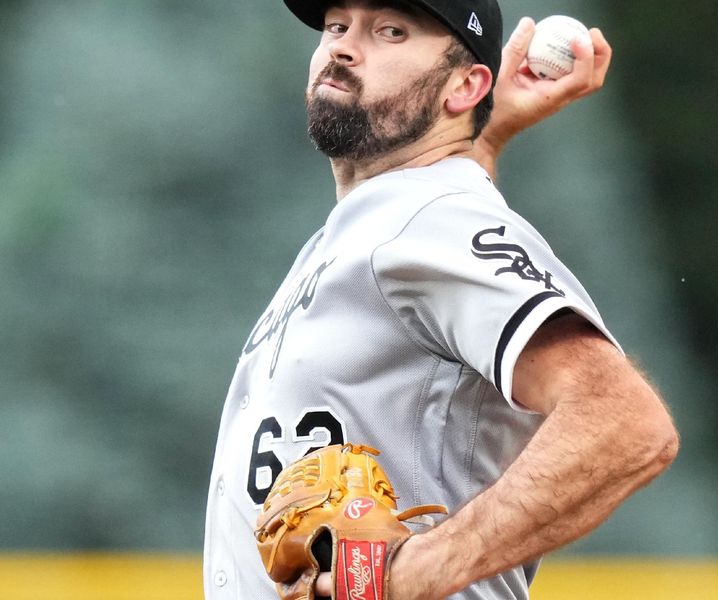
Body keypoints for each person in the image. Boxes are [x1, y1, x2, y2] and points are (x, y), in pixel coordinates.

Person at [203, 1, 680, 599]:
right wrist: (482, 129)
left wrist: (413, 574)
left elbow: (624, 423)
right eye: (336, 25)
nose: (344, 47)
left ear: (465, 84)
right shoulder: (388, 221)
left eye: (391, 31)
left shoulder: (428, 221)